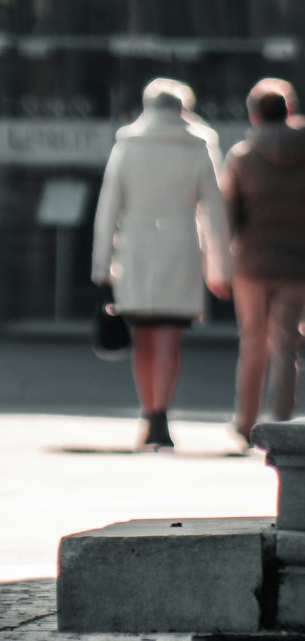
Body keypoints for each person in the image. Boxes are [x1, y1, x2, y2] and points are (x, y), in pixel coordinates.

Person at [91, 76, 232, 451]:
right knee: (170, 333)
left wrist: (101, 265)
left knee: (142, 335)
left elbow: (109, 206)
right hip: (180, 243)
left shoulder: (128, 143)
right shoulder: (199, 143)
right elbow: (214, 210)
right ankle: (162, 414)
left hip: (135, 245)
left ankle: (148, 413)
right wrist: (220, 268)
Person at [221, 79, 305, 448]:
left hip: (252, 264)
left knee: (252, 341)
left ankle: (245, 423)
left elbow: (228, 215)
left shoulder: (242, 155)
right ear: (289, 110)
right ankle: (283, 423)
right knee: (286, 344)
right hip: (298, 263)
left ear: (254, 114)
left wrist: (222, 264)